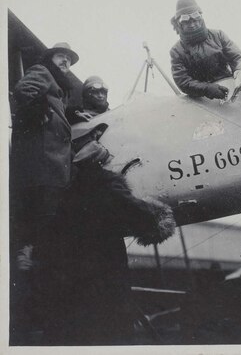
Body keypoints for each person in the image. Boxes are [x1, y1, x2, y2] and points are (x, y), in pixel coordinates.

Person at [56, 138, 176, 345]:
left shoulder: (70, 190)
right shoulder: (108, 183)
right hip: (107, 260)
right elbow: (134, 210)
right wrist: (158, 219)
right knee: (114, 318)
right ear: (101, 163)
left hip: (78, 265)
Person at [10, 42, 79, 344]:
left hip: (51, 169)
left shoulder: (58, 88)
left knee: (43, 235)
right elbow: (23, 93)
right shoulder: (42, 71)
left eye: (70, 59)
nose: (67, 62)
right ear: (49, 58)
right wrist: (34, 108)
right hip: (42, 168)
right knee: (42, 234)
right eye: (62, 56)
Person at [170, 0, 241, 99]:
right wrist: (206, 89)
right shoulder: (176, 51)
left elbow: (238, 57)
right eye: (187, 22)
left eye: (196, 19)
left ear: (201, 18)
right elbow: (183, 81)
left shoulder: (218, 35)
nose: (193, 24)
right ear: (179, 24)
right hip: (203, 98)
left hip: (230, 88)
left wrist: (240, 71)